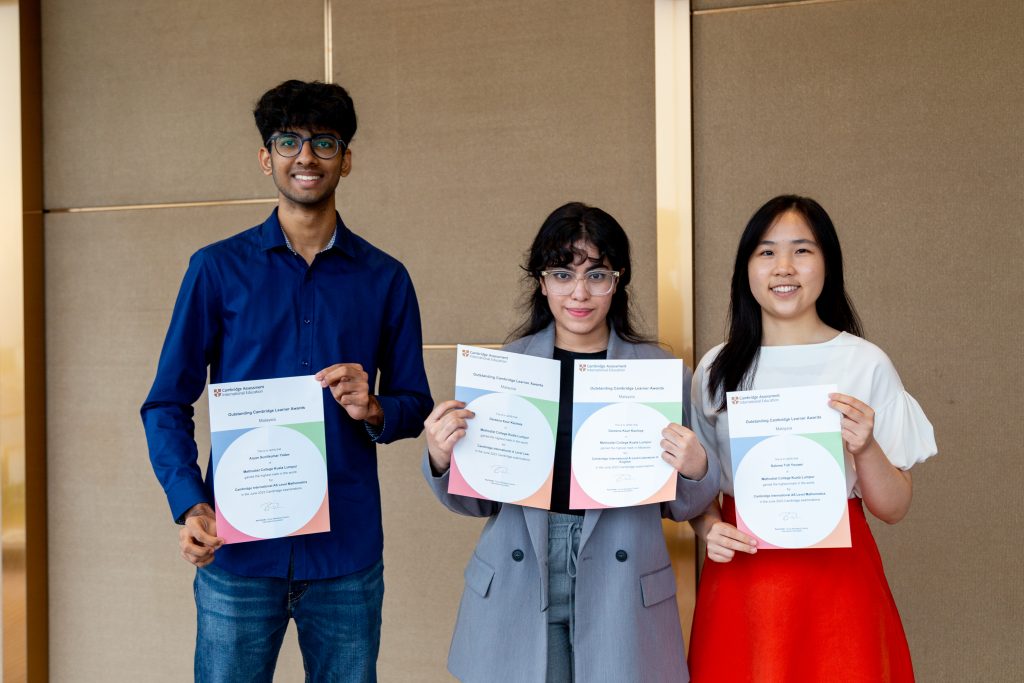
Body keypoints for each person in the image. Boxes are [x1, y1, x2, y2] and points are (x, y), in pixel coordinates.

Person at [140, 79, 432, 682]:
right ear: (265, 156)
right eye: (288, 141)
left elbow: (414, 403)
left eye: (324, 142)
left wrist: (374, 407)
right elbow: (166, 403)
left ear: (346, 160)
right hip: (239, 556)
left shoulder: (386, 278)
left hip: (345, 557)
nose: (306, 157)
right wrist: (190, 504)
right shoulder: (216, 269)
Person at [422, 202, 720, 682]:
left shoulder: (657, 374)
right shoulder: (505, 369)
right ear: (542, 282)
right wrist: (440, 455)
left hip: (621, 579)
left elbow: (683, 507)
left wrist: (695, 466)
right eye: (563, 274)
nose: (579, 293)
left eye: (597, 275)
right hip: (520, 572)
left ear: (618, 280)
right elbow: (476, 504)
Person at [686, 195, 937, 682]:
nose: (784, 267)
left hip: (839, 579)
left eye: (802, 250)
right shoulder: (717, 368)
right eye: (766, 251)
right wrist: (707, 528)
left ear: (828, 263)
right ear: (745, 269)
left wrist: (866, 448)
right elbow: (698, 485)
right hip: (744, 578)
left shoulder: (864, 362)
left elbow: (893, 507)